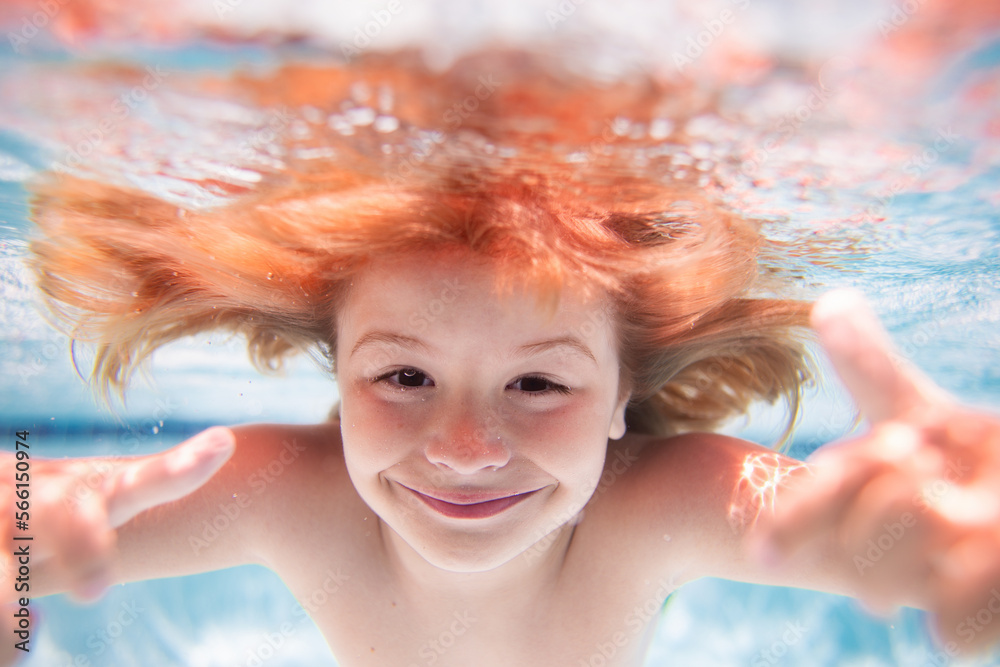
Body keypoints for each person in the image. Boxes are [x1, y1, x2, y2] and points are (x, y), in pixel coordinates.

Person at [5, 50, 1000, 667]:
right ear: (337, 383)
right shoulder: (286, 493)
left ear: (620, 399)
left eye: (539, 382)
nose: (469, 446)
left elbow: (909, 549)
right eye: (403, 377)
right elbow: (21, 524)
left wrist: (978, 543)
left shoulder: (655, 506)